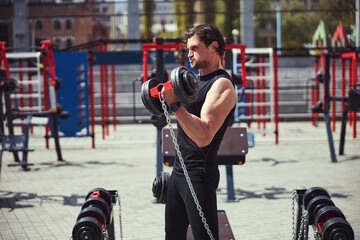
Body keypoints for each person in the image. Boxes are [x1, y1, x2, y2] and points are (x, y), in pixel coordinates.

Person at [162, 24, 237, 240]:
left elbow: (204, 136)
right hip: (178, 173)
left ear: (214, 47)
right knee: (172, 236)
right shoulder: (193, 82)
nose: (189, 54)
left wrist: (176, 106)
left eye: (194, 48)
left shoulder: (221, 85)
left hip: (198, 175)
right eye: (187, 49)